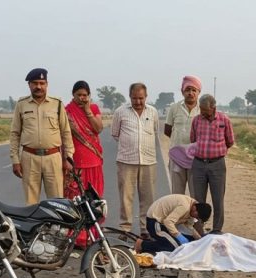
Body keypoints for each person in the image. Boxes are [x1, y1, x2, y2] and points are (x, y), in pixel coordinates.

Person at [10, 68, 74, 204]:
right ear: (29, 85)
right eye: (35, 83)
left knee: (57, 201)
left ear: (47, 84)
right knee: (30, 202)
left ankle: (56, 226)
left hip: (53, 158)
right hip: (29, 158)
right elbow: (15, 133)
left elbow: (66, 132)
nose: (38, 87)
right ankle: (34, 226)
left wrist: (68, 158)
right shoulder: (21, 104)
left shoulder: (57, 104)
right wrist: (15, 160)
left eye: (41, 83)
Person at [110, 83, 159, 235]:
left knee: (148, 199)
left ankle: (146, 230)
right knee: (126, 198)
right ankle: (125, 230)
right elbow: (115, 133)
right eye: (134, 98)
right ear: (129, 97)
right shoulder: (120, 112)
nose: (138, 102)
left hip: (148, 162)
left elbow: (155, 130)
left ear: (146, 97)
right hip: (126, 162)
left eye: (141, 98)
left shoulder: (153, 112)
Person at [65, 80, 104, 247]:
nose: (82, 98)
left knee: (93, 199)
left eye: (85, 95)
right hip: (76, 162)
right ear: (73, 95)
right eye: (79, 95)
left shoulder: (93, 109)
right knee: (75, 199)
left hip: (93, 160)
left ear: (89, 96)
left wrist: (87, 111)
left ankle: (92, 233)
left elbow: (98, 128)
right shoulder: (66, 111)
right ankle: (77, 236)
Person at [189, 94, 234, 235]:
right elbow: (193, 139)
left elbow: (230, 141)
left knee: (218, 198)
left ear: (213, 107)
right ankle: (199, 230)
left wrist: (217, 152)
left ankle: (216, 229)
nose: (202, 112)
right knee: (198, 200)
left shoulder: (224, 120)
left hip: (217, 165)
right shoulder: (196, 121)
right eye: (200, 109)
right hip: (198, 164)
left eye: (204, 109)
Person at [163, 75, 201, 194]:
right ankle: (179, 213)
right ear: (182, 91)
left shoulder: (203, 109)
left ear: (199, 92)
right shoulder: (174, 108)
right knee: (176, 194)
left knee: (196, 194)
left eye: (194, 90)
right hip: (177, 156)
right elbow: (167, 130)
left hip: (196, 158)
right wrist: (179, 143)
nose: (190, 93)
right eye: (187, 90)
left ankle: (192, 214)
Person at [137, 194, 211, 254]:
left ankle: (157, 242)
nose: (196, 218)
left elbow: (189, 227)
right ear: (195, 209)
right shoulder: (184, 206)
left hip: (163, 225)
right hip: (154, 223)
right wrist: (178, 235)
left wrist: (199, 239)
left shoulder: (192, 207)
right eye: (197, 216)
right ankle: (142, 244)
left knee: (189, 239)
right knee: (174, 247)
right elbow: (168, 221)